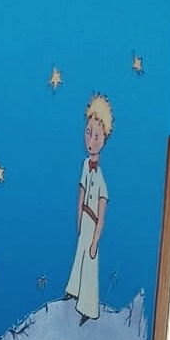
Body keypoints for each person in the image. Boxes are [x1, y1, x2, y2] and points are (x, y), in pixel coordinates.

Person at [65, 94, 113, 324]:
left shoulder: (102, 179)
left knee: (90, 263)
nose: (90, 140)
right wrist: (78, 218)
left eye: (96, 136)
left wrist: (95, 241)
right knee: (79, 257)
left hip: (92, 224)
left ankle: (88, 307)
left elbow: (101, 215)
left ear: (104, 139)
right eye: (88, 132)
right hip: (84, 219)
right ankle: (73, 289)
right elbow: (81, 192)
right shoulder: (85, 165)